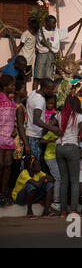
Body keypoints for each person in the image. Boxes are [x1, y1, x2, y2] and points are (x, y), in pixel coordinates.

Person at [55, 96, 82, 216]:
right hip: (72, 147)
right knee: (74, 181)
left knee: (64, 181)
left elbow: (49, 126)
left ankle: (63, 210)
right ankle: (74, 210)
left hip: (59, 147)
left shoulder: (59, 115)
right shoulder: (78, 116)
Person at [34, 15, 82, 90]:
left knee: (48, 76)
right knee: (38, 76)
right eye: (53, 23)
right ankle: (34, 92)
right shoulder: (41, 31)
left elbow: (68, 30)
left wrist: (78, 22)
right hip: (42, 54)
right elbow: (43, 42)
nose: (54, 25)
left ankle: (46, 92)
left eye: (55, 23)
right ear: (47, 23)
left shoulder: (56, 31)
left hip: (51, 55)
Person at [26, 78, 61, 161]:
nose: (54, 91)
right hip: (34, 135)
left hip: (31, 132)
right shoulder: (39, 100)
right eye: (52, 89)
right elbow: (36, 120)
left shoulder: (33, 93)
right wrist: (51, 128)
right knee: (34, 163)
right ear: (45, 88)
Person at [0, 75, 17, 206]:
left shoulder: (11, 100)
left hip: (9, 137)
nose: (13, 87)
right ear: (4, 86)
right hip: (0, 135)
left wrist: (15, 127)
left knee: (8, 166)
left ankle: (3, 192)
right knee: (1, 165)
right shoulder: (0, 97)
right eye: (11, 85)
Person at [40, 120, 59, 211]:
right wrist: (51, 140)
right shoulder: (52, 131)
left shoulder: (64, 131)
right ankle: (56, 201)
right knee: (58, 178)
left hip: (58, 158)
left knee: (58, 178)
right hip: (50, 157)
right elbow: (42, 141)